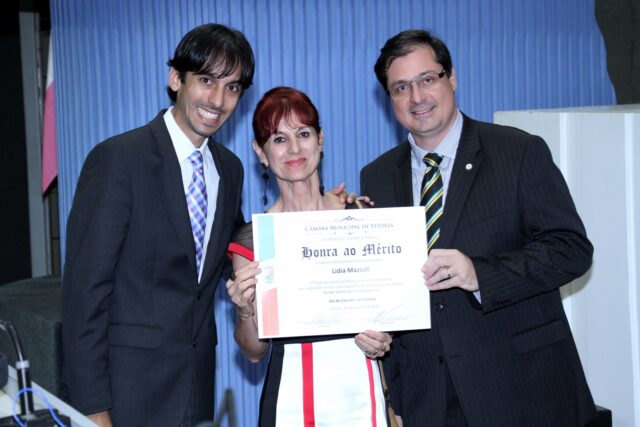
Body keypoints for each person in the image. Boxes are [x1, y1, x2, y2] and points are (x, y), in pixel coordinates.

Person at [360, 29, 597, 426]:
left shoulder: (518, 151)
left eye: (427, 79)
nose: (417, 97)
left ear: (452, 77)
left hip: (521, 390)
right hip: (427, 397)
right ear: (389, 98)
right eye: (401, 87)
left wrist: (480, 275)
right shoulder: (377, 176)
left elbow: (571, 250)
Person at [62, 24, 254, 427]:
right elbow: (85, 293)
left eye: (232, 87)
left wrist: (316, 213)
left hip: (196, 393)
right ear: (175, 78)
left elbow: (229, 247)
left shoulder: (229, 169)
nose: (218, 100)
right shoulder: (119, 159)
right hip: (125, 397)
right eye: (206, 81)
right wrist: (92, 409)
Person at [226, 86, 393, 426]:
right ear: (260, 151)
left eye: (303, 133)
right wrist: (244, 311)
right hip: (290, 402)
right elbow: (253, 352)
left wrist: (384, 337)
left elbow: (391, 314)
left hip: (364, 395)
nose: (294, 148)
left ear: (320, 139)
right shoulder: (254, 240)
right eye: (279, 139)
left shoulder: (362, 215)